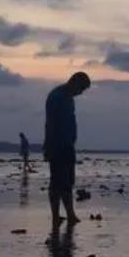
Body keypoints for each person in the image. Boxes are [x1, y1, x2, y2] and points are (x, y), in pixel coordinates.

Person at [43, 72, 91, 228]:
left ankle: (70, 214)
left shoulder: (69, 98)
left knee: (68, 181)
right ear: (74, 82)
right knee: (57, 182)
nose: (81, 93)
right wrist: (48, 146)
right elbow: (50, 123)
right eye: (81, 89)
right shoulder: (56, 97)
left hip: (68, 145)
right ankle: (57, 215)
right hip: (57, 145)